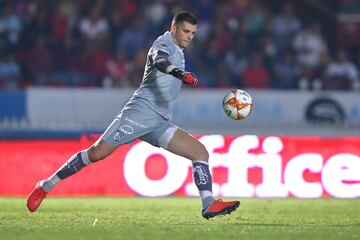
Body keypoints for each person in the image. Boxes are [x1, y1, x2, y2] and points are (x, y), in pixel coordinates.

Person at [26, 11, 240, 219]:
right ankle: (46, 185)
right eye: (185, 31)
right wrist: (179, 73)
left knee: (200, 152)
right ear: (173, 28)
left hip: (160, 121)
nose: (189, 37)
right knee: (97, 152)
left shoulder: (180, 49)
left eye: (193, 33)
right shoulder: (163, 44)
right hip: (140, 113)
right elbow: (160, 61)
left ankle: (208, 204)